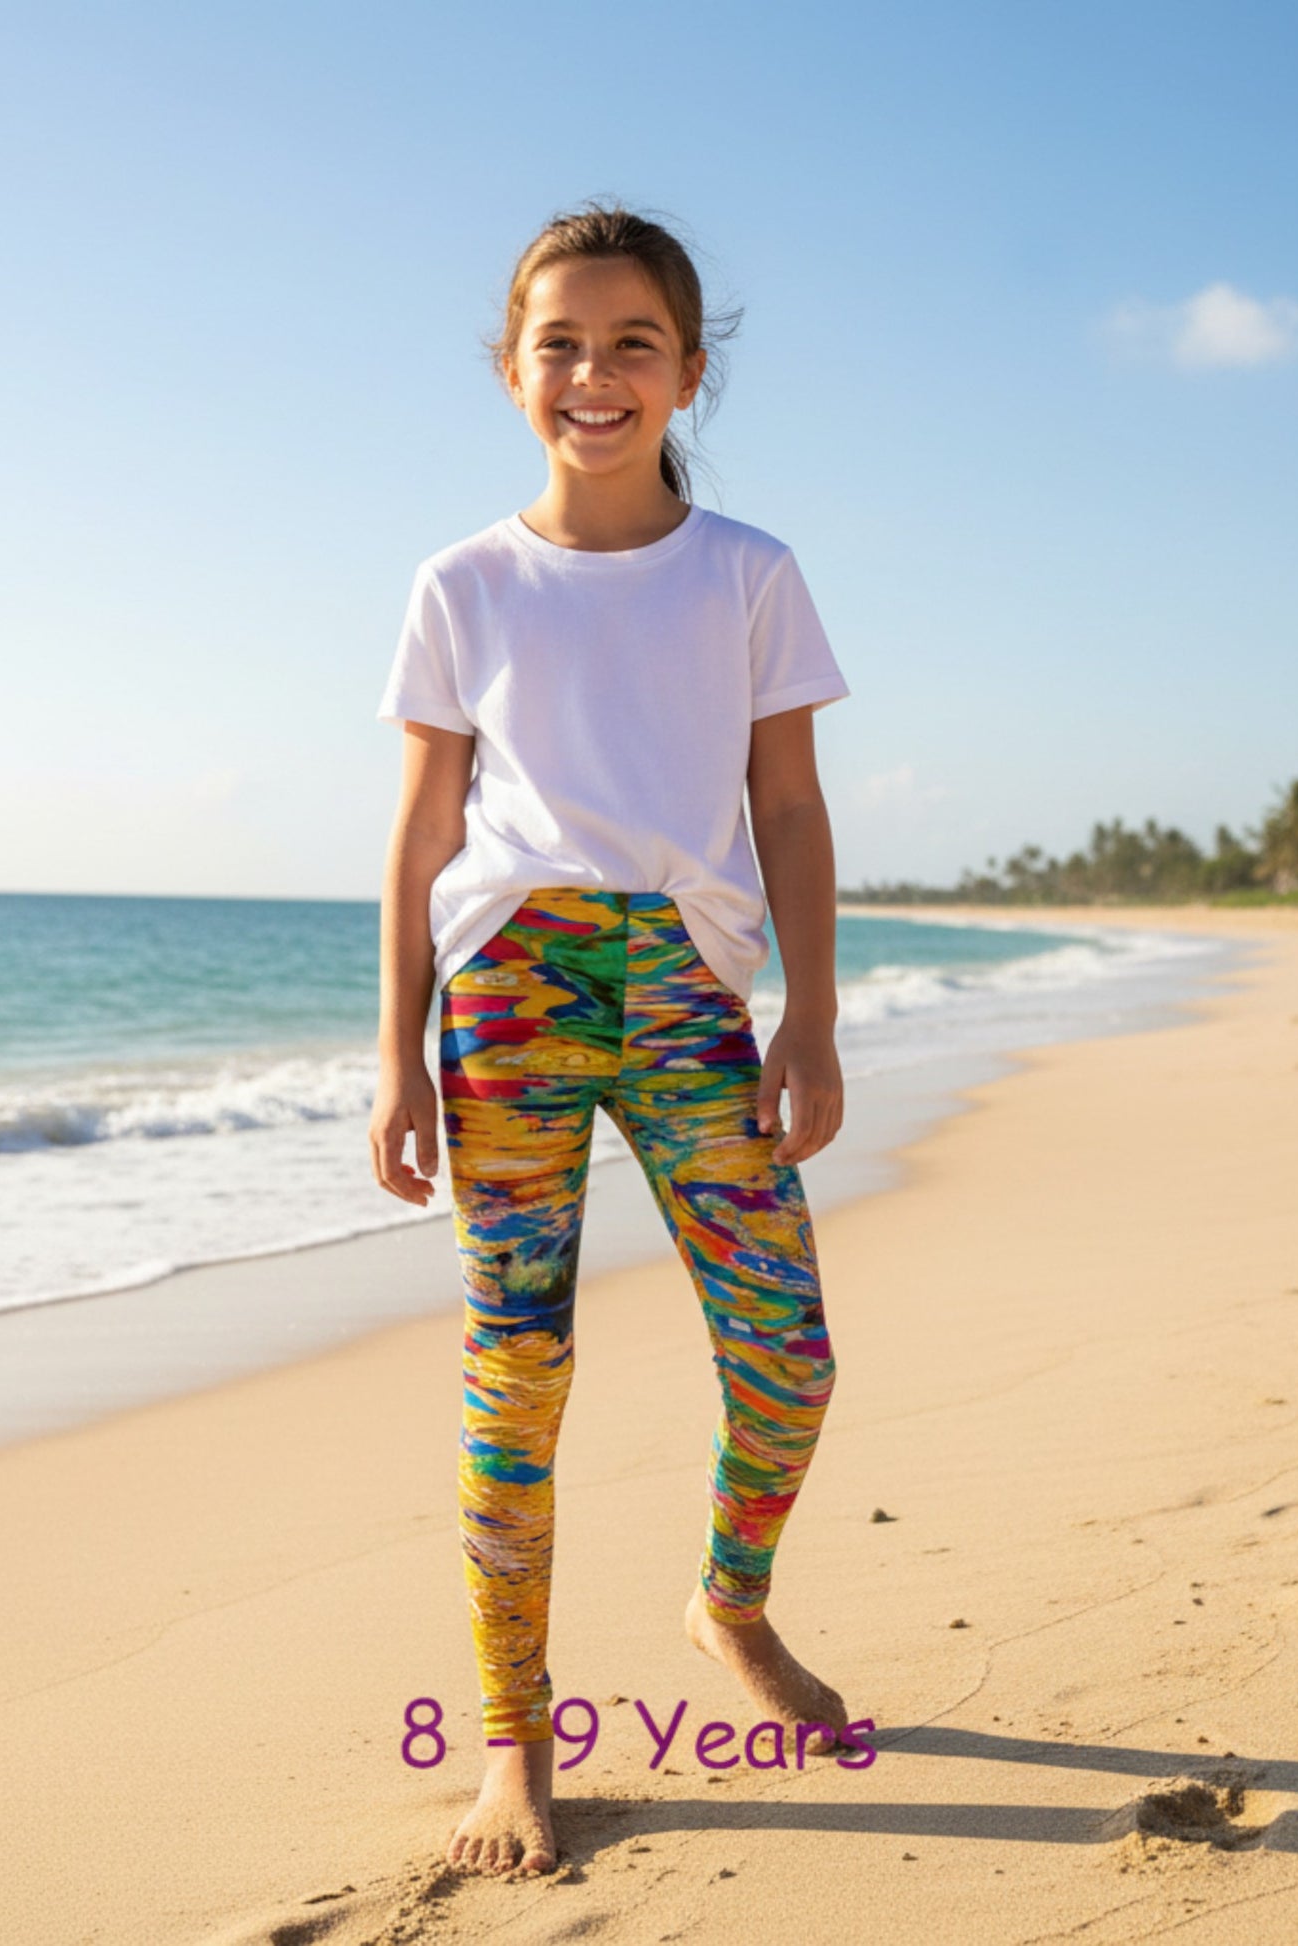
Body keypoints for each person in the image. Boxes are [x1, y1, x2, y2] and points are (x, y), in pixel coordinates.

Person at [370, 199, 852, 1878]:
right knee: (519, 1374)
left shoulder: (747, 574)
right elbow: (422, 832)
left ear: (688, 372)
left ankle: (732, 1603)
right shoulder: (463, 583)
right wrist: (393, 1054)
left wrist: (812, 1014)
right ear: (512, 374)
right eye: (559, 343)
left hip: (693, 991)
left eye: (631, 341)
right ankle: (513, 1738)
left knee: (788, 1354)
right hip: (509, 987)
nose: (595, 372)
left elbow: (785, 805)